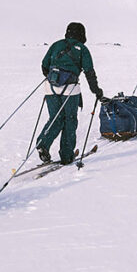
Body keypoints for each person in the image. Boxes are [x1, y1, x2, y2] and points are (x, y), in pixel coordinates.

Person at [37, 22, 104, 165]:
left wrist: (56, 79)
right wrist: (96, 91)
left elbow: (44, 65)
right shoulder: (83, 49)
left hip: (50, 87)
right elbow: (89, 72)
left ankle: (43, 143)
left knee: (55, 118)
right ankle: (67, 155)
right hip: (70, 89)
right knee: (70, 120)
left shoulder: (56, 45)